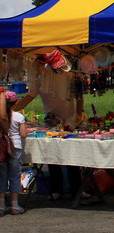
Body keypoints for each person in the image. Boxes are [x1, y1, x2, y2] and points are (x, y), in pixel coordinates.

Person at [14, 51, 84, 200]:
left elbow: (79, 96)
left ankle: (72, 190)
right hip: (53, 121)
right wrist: (11, 109)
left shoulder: (69, 76)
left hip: (69, 120)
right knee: (54, 157)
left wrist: (78, 114)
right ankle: (61, 190)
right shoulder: (41, 79)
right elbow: (29, 97)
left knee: (69, 156)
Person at [1, 90, 27, 215]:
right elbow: (23, 134)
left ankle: (1, 204)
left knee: (2, 175)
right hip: (15, 146)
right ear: (15, 103)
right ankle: (15, 204)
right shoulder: (19, 116)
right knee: (15, 175)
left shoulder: (3, 116)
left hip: (2, 146)